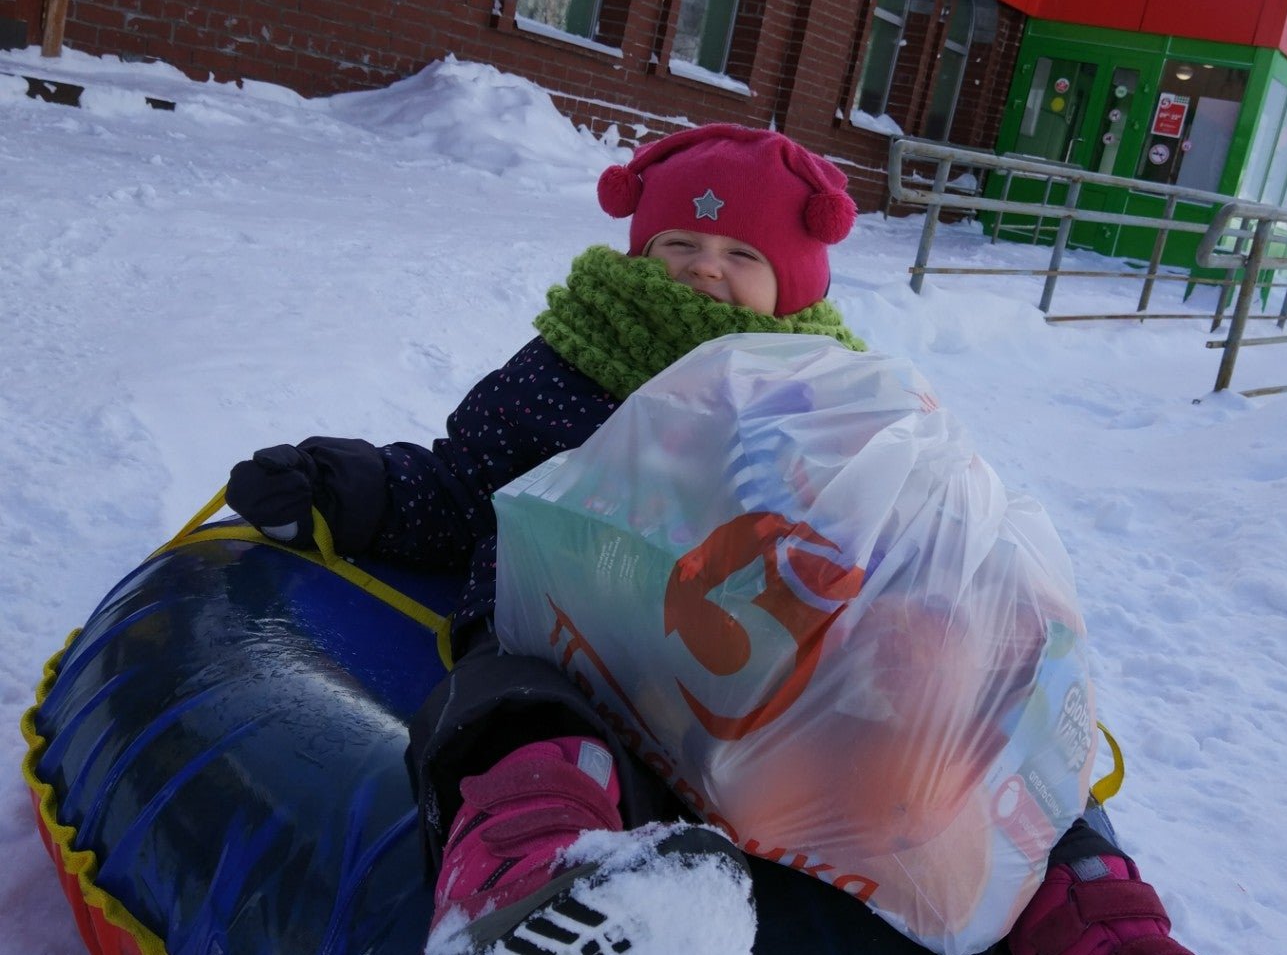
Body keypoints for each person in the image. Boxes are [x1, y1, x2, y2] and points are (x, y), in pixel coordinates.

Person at [228, 123, 1193, 955]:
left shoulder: (823, 397)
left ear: (791, 283)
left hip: (788, 677)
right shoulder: (564, 371)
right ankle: (540, 876)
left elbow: (892, 537)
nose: (703, 266)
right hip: (579, 648)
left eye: (741, 254)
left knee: (975, 730)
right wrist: (342, 485)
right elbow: (460, 485)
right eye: (680, 241)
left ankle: (1093, 915)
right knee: (512, 704)